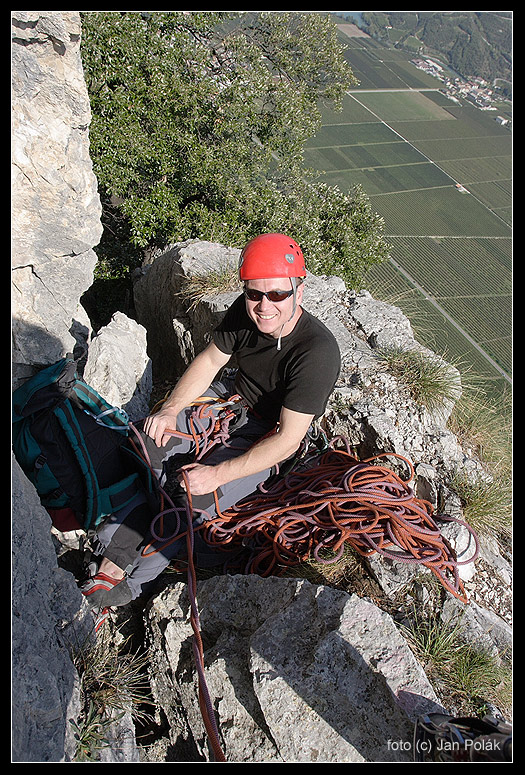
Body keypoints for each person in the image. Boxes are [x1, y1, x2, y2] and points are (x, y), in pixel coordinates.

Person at [81, 233, 341, 611]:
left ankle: (125, 580)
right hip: (225, 407)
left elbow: (287, 440)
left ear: (298, 292)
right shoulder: (246, 310)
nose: (264, 306)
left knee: (190, 497)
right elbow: (209, 361)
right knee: (141, 440)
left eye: (277, 295)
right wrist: (171, 409)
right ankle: (113, 531)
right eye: (255, 294)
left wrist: (217, 476)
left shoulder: (316, 352)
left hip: (263, 439)